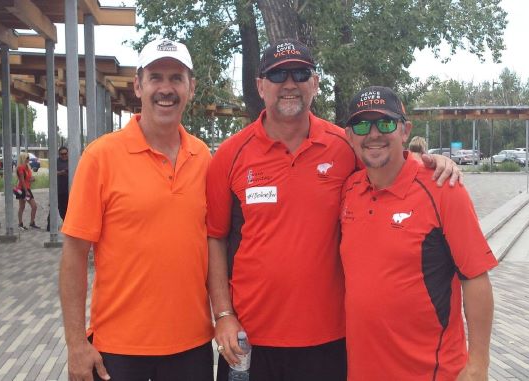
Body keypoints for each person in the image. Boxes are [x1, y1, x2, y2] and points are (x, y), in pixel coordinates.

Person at [206, 39, 461, 381]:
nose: (290, 83)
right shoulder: (230, 155)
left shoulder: (344, 145)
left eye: (300, 73)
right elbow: (215, 238)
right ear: (259, 85)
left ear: (315, 83)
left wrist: (428, 161)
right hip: (250, 340)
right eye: (278, 74)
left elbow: (386, 161)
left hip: (330, 340)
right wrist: (223, 314)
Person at [59, 38, 214, 381]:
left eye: (176, 78)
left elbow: (214, 245)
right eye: (156, 77)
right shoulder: (101, 157)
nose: (166, 88)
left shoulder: (203, 158)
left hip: (192, 347)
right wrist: (75, 344)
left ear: (191, 88)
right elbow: (73, 256)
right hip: (119, 351)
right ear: (138, 85)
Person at [340, 86, 497, 380]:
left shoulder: (442, 187)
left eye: (385, 123)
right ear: (349, 136)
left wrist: (478, 365)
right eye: (362, 125)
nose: (373, 134)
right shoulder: (349, 190)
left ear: (404, 131)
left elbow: (475, 276)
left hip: (430, 372)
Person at [46, 146, 69, 231]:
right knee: (53, 207)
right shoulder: (56, 162)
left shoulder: (71, 161)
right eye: (62, 154)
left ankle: (67, 225)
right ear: (59, 154)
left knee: (66, 208)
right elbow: (52, 172)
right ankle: (50, 226)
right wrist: (60, 173)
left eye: (65, 153)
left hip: (68, 189)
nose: (64, 155)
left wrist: (67, 173)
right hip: (57, 189)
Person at [16, 151, 39, 230]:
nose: (28, 159)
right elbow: (22, 181)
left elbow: (27, 179)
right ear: (23, 158)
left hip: (26, 188)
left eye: (28, 158)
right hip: (23, 189)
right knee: (27, 206)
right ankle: (21, 223)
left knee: (29, 206)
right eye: (27, 158)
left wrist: (32, 179)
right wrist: (26, 191)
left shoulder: (27, 167)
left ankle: (30, 223)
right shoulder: (20, 167)